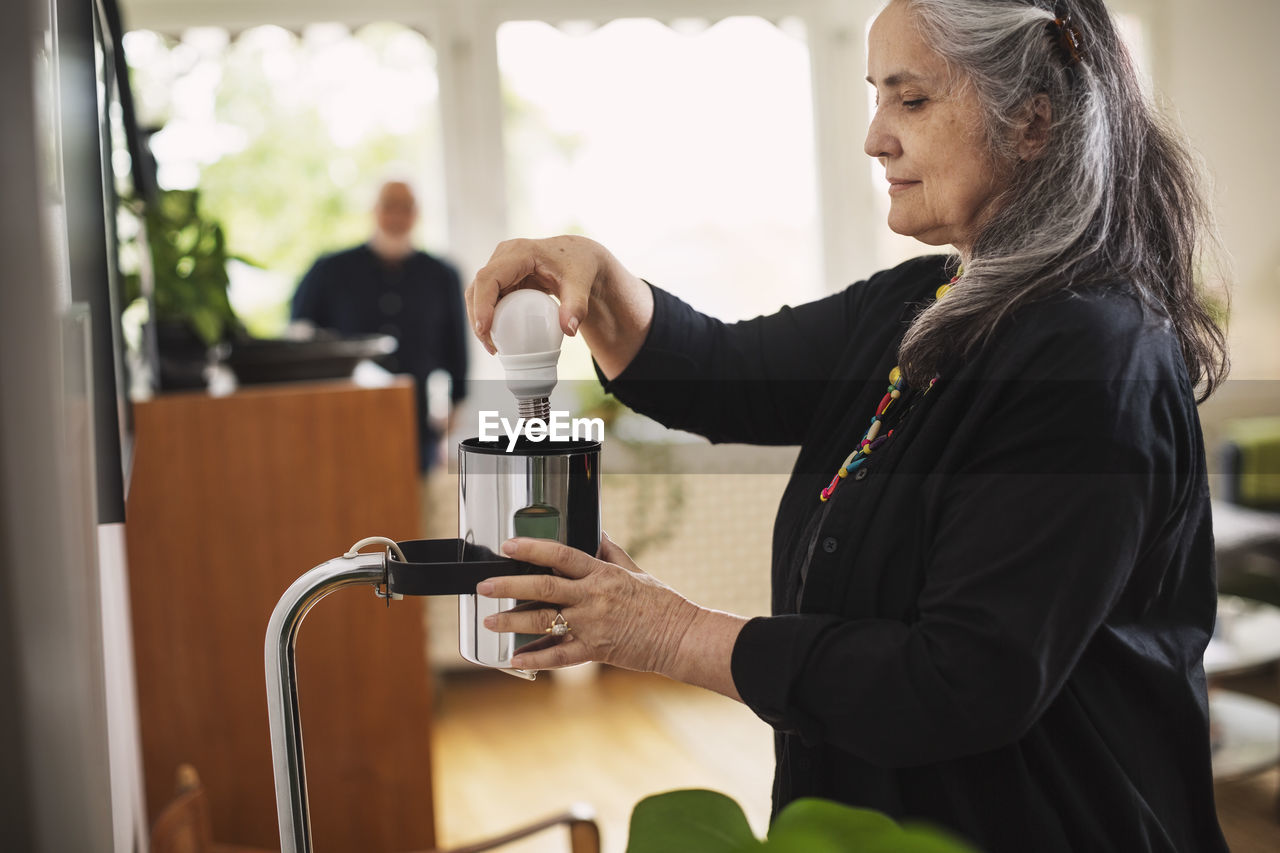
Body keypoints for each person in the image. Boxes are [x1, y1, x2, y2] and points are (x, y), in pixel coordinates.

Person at [466, 1, 1230, 850]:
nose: (874, 137)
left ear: (1033, 123)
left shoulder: (1089, 355)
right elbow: (722, 374)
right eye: (875, 97)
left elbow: (956, 683)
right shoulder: (922, 300)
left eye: (910, 100)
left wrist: (668, 631)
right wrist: (600, 281)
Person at [292, 180, 468, 476]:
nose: (397, 215)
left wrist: (457, 403)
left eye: (406, 207)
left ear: (416, 214)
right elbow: (299, 335)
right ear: (374, 210)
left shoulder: (442, 275)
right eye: (389, 205)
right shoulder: (329, 270)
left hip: (416, 418)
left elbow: (457, 346)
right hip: (344, 415)